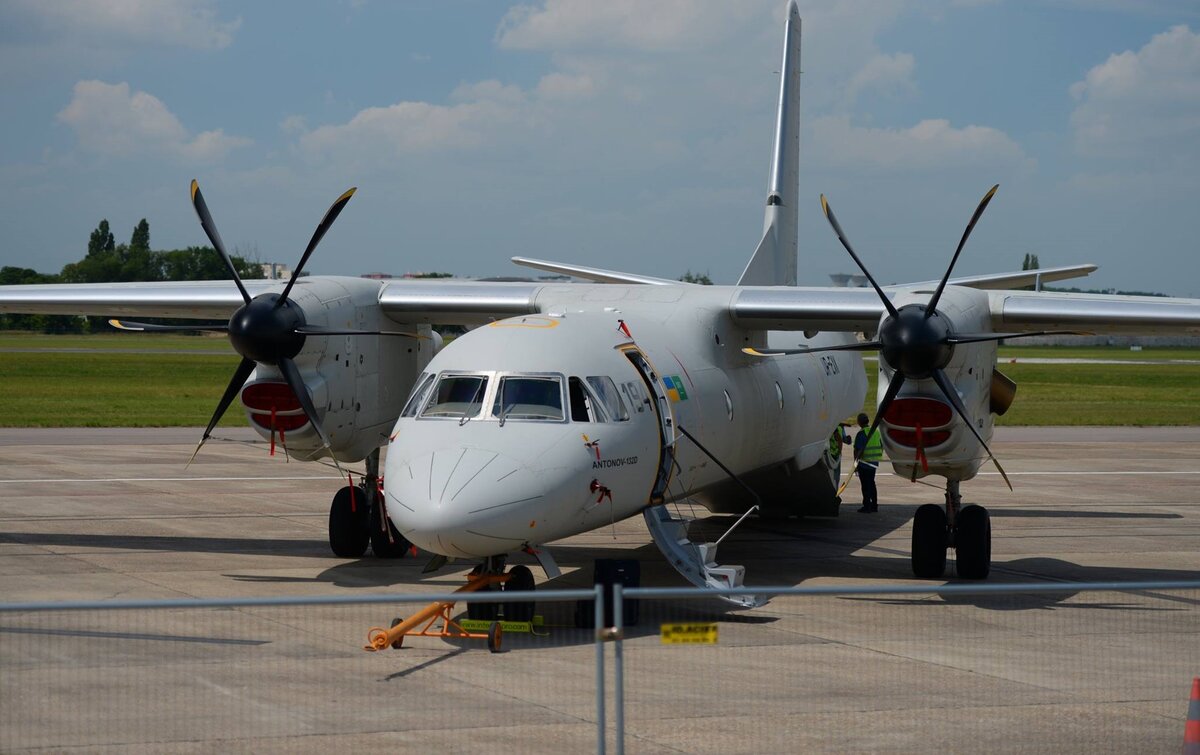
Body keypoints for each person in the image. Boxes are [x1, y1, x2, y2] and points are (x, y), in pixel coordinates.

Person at [853, 412, 883, 513]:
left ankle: (867, 506)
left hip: (864, 463)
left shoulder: (861, 433)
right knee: (872, 483)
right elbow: (881, 445)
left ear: (859, 422)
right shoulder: (876, 431)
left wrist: (855, 465)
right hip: (874, 462)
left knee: (865, 485)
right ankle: (874, 505)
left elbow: (858, 450)